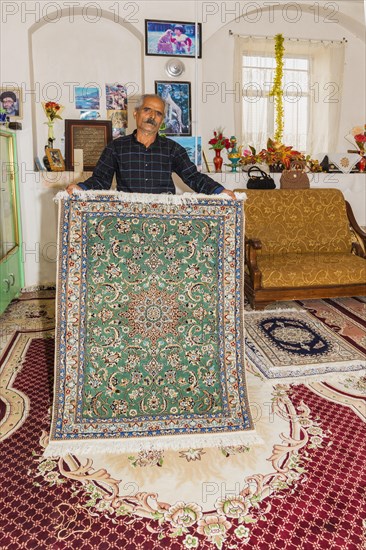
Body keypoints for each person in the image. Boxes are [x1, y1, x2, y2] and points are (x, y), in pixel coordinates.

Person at [66, 94, 235, 199]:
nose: (152, 116)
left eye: (159, 113)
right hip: (127, 218)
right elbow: (101, 180)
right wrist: (81, 187)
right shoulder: (116, 148)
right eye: (147, 110)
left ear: (161, 121)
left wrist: (219, 191)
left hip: (165, 219)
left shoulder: (173, 149)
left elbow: (193, 177)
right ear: (136, 113)